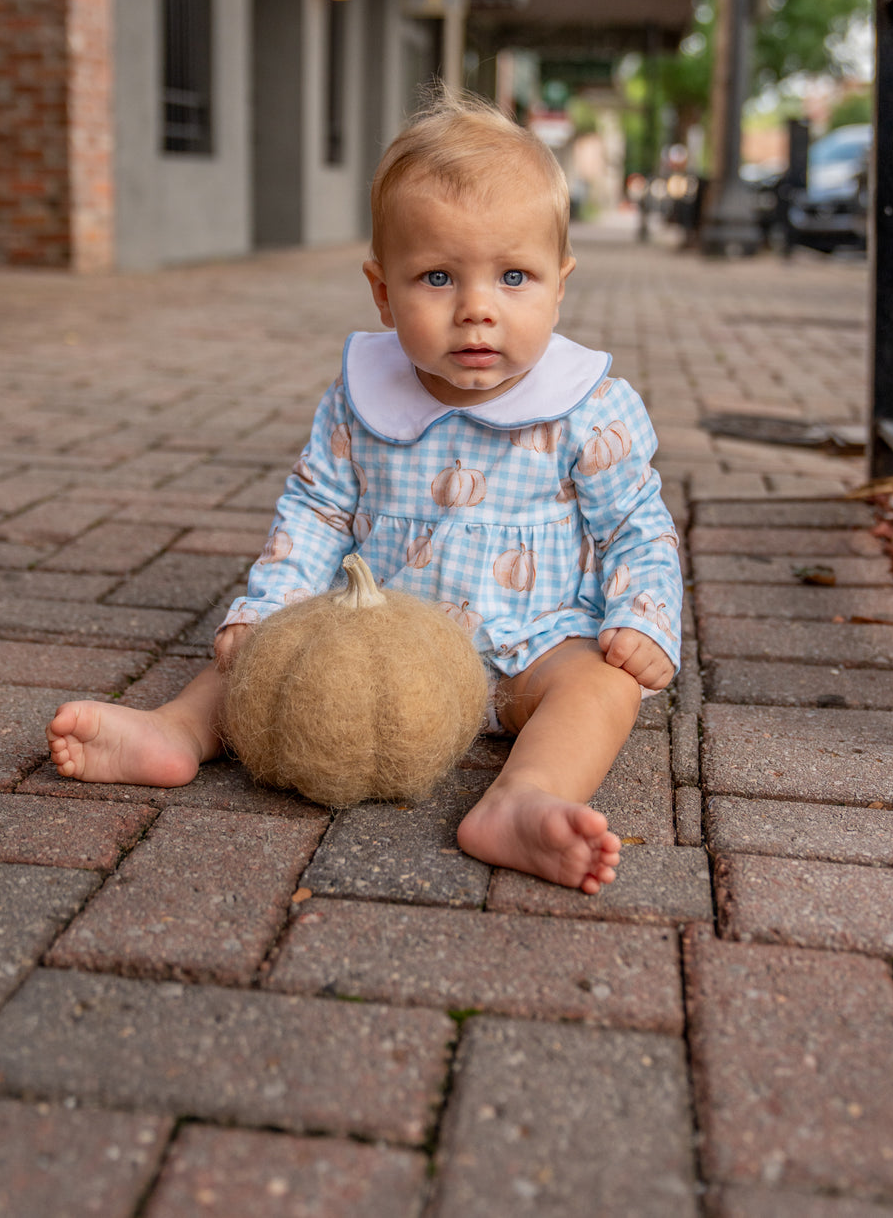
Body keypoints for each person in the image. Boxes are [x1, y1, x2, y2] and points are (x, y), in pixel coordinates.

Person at [47, 92, 682, 894]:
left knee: (603, 686)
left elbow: (638, 527)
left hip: (533, 646)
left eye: (514, 276)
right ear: (383, 293)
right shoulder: (361, 396)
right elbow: (315, 512)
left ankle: (525, 800)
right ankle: (174, 733)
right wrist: (265, 609)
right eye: (438, 277)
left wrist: (644, 617)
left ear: (561, 284)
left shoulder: (589, 406)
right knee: (259, 661)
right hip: (376, 645)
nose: (477, 308)